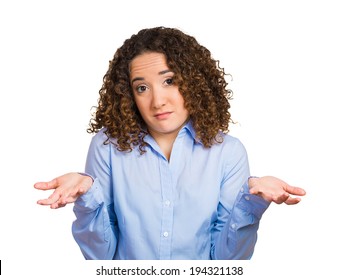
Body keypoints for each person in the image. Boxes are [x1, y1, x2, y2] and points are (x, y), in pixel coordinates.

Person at [34, 27, 306, 260]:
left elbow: (226, 262)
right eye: (142, 87)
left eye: (169, 81)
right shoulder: (106, 147)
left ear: (195, 82)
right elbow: (101, 259)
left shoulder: (228, 152)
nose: (157, 101)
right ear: (129, 94)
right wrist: (87, 197)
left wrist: (252, 205)